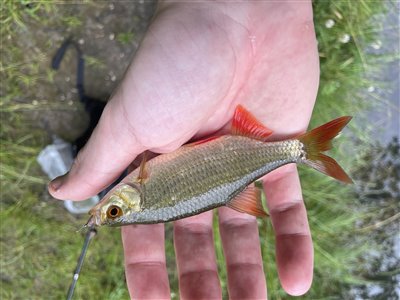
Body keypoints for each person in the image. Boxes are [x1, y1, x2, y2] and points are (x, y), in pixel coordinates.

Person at [49, 1, 319, 299]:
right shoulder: (142, 183)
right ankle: (303, 151)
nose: (105, 208)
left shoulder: (141, 183)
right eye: (113, 210)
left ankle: (302, 151)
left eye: (113, 211)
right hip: (237, 151)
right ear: (132, 200)